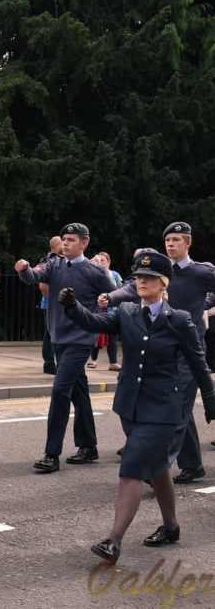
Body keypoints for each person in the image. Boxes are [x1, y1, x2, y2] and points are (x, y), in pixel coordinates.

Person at [58, 251, 215, 563]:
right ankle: (171, 527)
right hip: (132, 407)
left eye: (149, 278)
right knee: (157, 469)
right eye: (139, 277)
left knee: (131, 467)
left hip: (164, 409)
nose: (141, 282)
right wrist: (73, 308)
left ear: (163, 284)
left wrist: (210, 401)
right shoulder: (127, 311)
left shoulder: (180, 320)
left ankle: (113, 541)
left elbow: (199, 364)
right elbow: (95, 321)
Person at [100, 221, 215, 483]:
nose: (171, 244)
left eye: (177, 239)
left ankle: (155, 467)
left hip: (188, 351)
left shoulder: (203, 272)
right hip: (161, 352)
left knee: (177, 410)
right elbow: (131, 288)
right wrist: (111, 297)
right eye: (168, 240)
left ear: (188, 243)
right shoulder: (159, 272)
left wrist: (204, 303)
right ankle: (193, 464)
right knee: (180, 409)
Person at [15, 223, 117, 473]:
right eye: (63, 239)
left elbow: (117, 296)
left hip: (82, 339)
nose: (65, 243)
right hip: (58, 337)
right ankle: (88, 446)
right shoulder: (53, 263)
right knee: (78, 392)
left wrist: (108, 302)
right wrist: (24, 269)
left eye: (71, 239)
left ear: (84, 243)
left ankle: (52, 453)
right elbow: (34, 276)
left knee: (60, 390)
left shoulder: (96, 270)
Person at [87, 252, 122, 371]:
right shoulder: (91, 273)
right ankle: (93, 360)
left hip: (112, 310)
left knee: (113, 337)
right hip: (97, 310)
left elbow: (120, 291)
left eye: (103, 260)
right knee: (96, 335)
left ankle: (113, 363)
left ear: (109, 262)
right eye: (99, 260)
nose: (101, 262)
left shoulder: (115, 275)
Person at [40, 236, 63, 375]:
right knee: (50, 335)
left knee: (53, 334)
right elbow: (43, 286)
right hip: (50, 305)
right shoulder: (49, 262)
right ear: (56, 246)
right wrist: (56, 300)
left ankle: (55, 363)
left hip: (54, 304)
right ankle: (49, 364)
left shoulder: (60, 261)